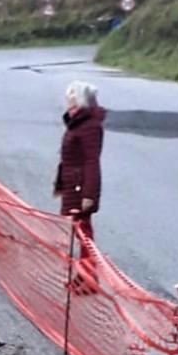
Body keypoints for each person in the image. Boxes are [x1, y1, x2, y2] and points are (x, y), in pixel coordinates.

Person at [54, 81, 105, 294]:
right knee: (80, 232)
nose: (68, 98)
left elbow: (91, 161)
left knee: (84, 234)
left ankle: (89, 278)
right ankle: (83, 275)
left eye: (72, 95)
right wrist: (60, 183)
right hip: (72, 182)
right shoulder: (77, 121)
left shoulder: (89, 126)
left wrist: (88, 194)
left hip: (79, 185)